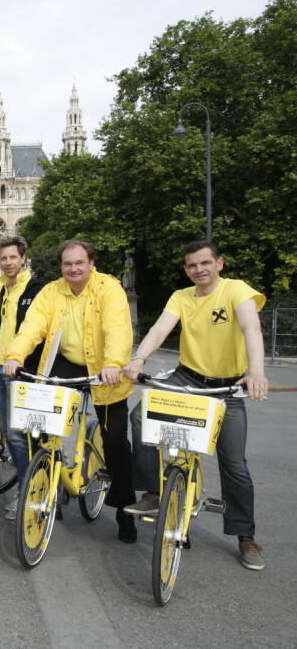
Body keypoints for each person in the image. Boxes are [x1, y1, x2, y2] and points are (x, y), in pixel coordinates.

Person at [123, 241, 269, 570]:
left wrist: (256, 372)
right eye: (191, 265)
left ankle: (245, 536)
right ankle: (151, 493)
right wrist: (138, 359)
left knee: (235, 465)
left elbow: (251, 328)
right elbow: (161, 328)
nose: (198, 270)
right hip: (187, 378)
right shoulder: (181, 297)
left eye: (205, 263)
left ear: (220, 263)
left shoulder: (236, 290)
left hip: (228, 386)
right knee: (140, 416)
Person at [2, 241, 137, 542]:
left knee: (115, 442)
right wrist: (15, 356)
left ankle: (124, 511)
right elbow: (32, 327)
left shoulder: (109, 289)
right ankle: (49, 485)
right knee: (38, 428)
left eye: (79, 263)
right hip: (67, 362)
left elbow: (118, 328)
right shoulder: (52, 291)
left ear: (91, 263)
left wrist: (114, 363)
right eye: (67, 264)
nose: (73, 269)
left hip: (105, 367)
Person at [0, 234, 46, 520]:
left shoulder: (37, 289)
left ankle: (29, 493)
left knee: (21, 436)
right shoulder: (2, 289)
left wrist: (20, 359)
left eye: (13, 257)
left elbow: (37, 329)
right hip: (0, 370)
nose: (8, 262)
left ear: (23, 258)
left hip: (22, 370)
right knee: (12, 436)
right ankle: (35, 487)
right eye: (3, 258)